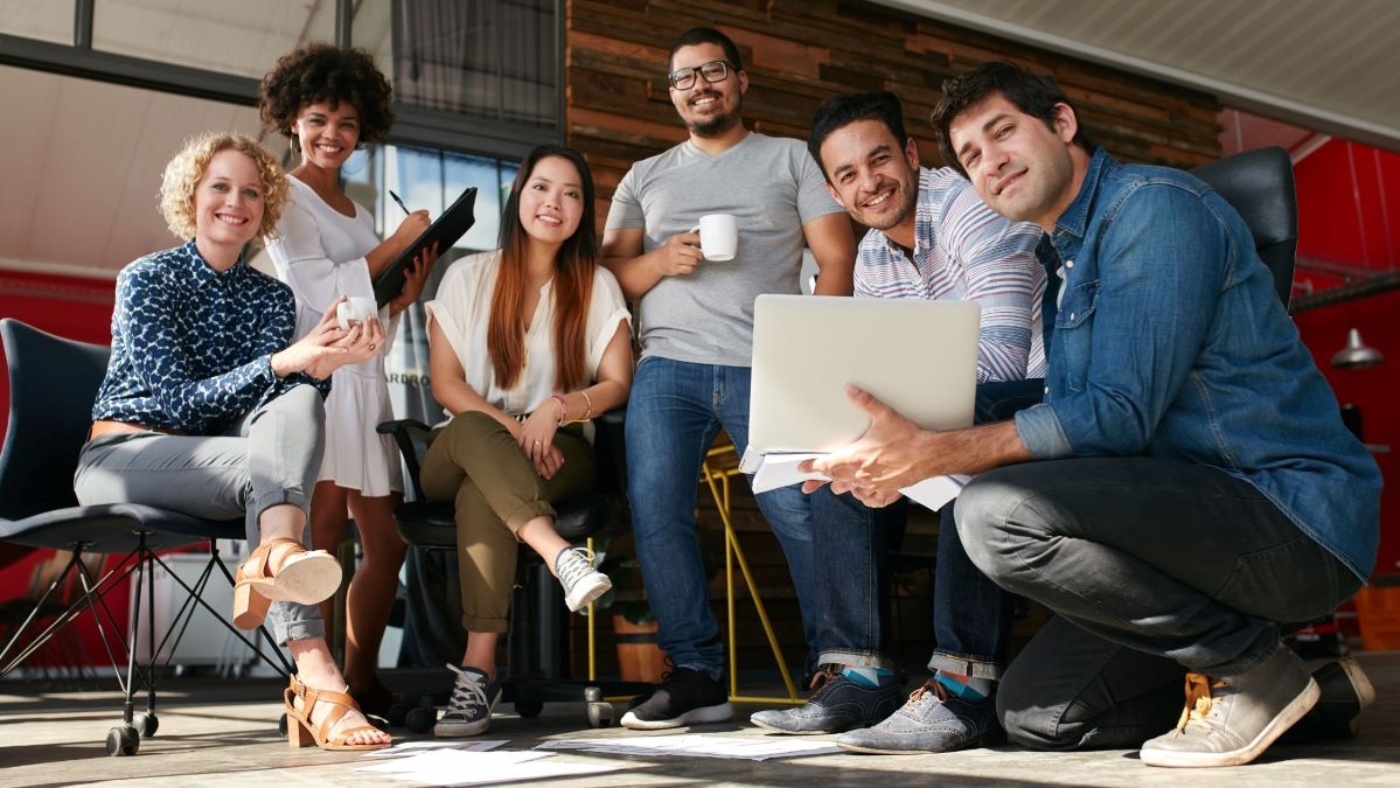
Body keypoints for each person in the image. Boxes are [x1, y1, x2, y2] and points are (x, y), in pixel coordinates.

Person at [804, 61, 1381, 769]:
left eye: (1003, 133)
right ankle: (1310, 694)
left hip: (1286, 515)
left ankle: (1250, 665)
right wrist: (899, 469)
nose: (991, 164)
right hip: (1177, 535)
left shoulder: (1154, 209)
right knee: (1040, 718)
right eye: (973, 156)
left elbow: (1118, 415)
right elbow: (1073, 425)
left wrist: (941, 453)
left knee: (994, 512)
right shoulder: (1063, 259)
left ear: (1062, 123)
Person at [601, 26, 886, 730]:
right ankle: (696, 674)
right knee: (657, 508)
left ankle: (842, 667)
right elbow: (608, 277)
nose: (700, 85)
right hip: (667, 364)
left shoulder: (792, 159)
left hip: (769, 363)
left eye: (713, 71)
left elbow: (836, 260)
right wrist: (661, 263)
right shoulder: (646, 175)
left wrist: (807, 355)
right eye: (684, 78)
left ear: (741, 80)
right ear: (672, 95)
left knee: (799, 508)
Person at [73, 132, 392, 751]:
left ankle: (272, 553)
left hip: (232, 465)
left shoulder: (272, 298)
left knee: (297, 400)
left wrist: (316, 372)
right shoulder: (146, 279)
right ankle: (318, 677)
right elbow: (176, 404)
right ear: (191, 196)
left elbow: (272, 416)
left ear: (265, 208)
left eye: (251, 191)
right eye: (220, 186)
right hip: (126, 457)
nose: (235, 201)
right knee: (275, 439)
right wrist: (283, 361)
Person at [750, 90, 1047, 740]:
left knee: (958, 425)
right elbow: (874, 380)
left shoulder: (974, 208)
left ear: (911, 154)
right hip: (944, 413)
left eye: (879, 160)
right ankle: (858, 678)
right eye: (848, 175)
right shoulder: (873, 256)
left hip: (1033, 406)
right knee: (840, 463)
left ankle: (965, 686)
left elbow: (1002, 359)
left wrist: (900, 435)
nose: (869, 184)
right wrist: (864, 440)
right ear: (833, 189)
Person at [420, 144, 632, 738]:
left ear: (583, 211)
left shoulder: (596, 284)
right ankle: (560, 554)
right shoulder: (467, 276)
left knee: (483, 496)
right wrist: (514, 427)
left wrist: (558, 409)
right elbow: (445, 384)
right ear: (520, 196)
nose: (554, 203)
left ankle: (478, 671)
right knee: (473, 434)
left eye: (570, 194)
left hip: (558, 452)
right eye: (542, 187)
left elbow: (617, 381)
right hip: (461, 443)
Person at [259, 43, 437, 716]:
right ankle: (318, 689)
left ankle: (361, 680)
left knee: (387, 543)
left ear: (365, 131)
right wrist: (395, 243)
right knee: (324, 536)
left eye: (347, 124)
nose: (331, 134)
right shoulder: (284, 196)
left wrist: (400, 295)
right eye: (317, 118)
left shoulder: (357, 212)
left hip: (368, 383)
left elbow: (366, 310)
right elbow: (315, 290)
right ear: (292, 120)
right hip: (323, 382)